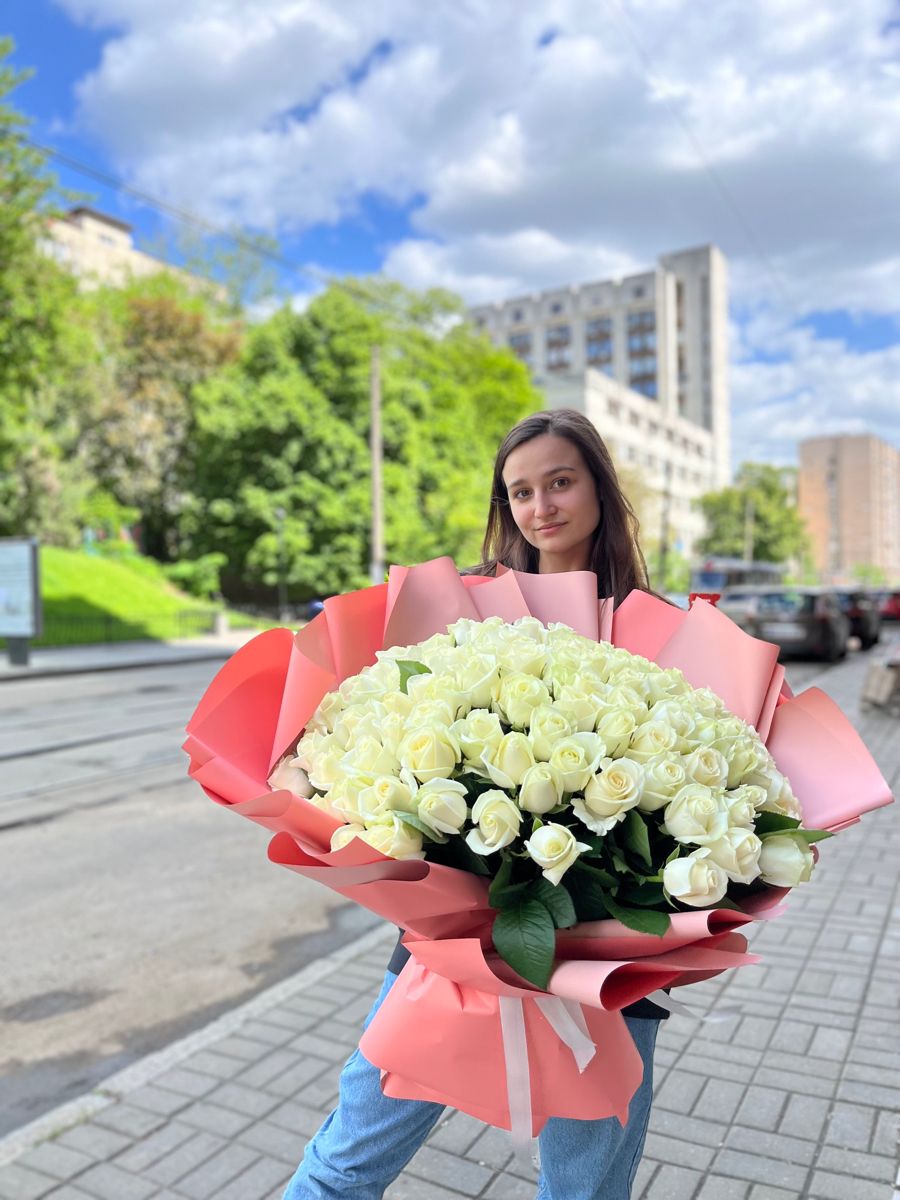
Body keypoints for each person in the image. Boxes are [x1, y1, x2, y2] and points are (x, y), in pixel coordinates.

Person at [283, 408, 666, 1200]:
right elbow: (385, 728)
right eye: (520, 491)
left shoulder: (657, 628)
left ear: (598, 485)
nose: (541, 507)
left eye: (560, 481)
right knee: (348, 1159)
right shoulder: (471, 611)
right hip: (454, 939)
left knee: (587, 1189)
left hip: (607, 949)